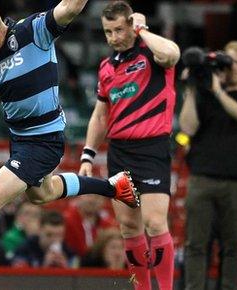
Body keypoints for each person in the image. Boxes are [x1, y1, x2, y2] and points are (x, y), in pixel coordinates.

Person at [0, 1, 139, 289]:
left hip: (44, 141)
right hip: (20, 142)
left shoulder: (34, 31)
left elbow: (69, 7)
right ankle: (114, 187)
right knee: (42, 194)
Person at [78, 2, 180, 289]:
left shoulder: (152, 54)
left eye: (119, 29)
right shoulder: (107, 68)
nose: (113, 37)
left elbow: (172, 54)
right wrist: (88, 154)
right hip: (119, 154)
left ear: (132, 25)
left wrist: (142, 30)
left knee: (156, 223)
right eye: (108, 31)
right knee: (129, 227)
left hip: (151, 150)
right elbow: (100, 115)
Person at [179, 40, 237, 290]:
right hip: (202, 178)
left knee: (235, 246)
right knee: (195, 244)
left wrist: (218, 92)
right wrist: (193, 87)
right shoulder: (206, 94)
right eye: (228, 60)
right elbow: (187, 127)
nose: (231, 66)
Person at [11, 211, 77, 268]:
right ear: (40, 230)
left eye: (59, 235)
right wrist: (43, 266)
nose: (54, 239)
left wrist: (67, 268)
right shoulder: (25, 249)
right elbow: (19, 278)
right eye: (49, 235)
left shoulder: (69, 252)